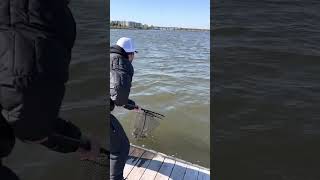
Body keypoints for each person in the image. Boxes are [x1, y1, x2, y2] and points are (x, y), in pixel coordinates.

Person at [0, 1, 99, 178]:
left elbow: (14, 103)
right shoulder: (42, 13)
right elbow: (29, 120)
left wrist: (75, 137)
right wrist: (78, 143)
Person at [110, 37, 139, 180]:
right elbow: (119, 97)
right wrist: (128, 103)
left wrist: (132, 105)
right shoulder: (121, 64)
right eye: (134, 54)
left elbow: (113, 91)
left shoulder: (109, 57)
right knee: (121, 147)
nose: (134, 57)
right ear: (130, 54)